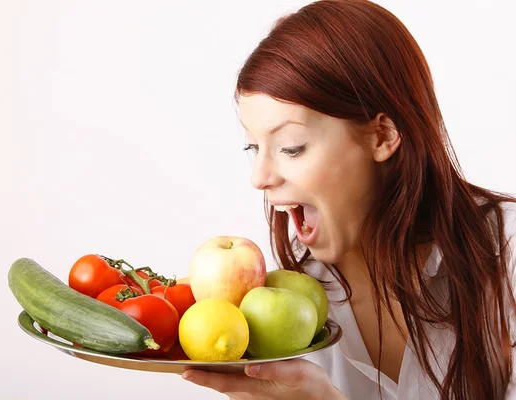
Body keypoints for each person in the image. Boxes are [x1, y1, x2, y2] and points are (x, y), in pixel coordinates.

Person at [179, 0, 516, 399]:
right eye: (253, 148)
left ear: (382, 136)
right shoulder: (293, 303)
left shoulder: (506, 255)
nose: (259, 178)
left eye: (291, 147)